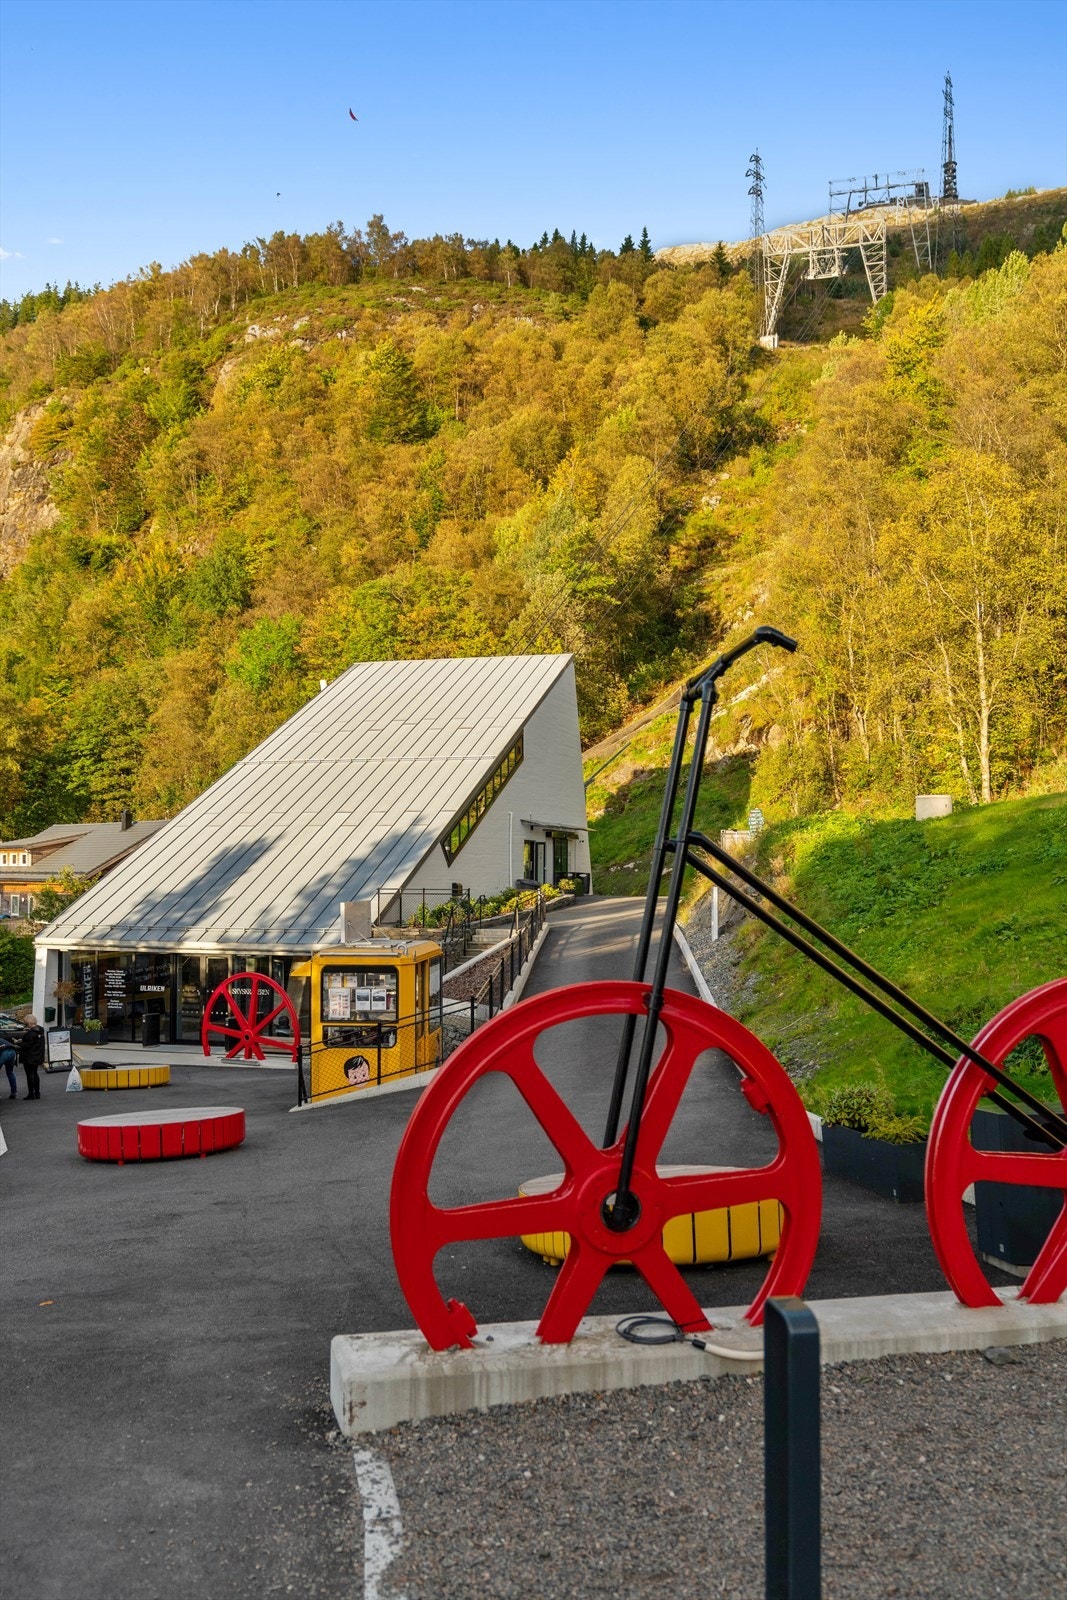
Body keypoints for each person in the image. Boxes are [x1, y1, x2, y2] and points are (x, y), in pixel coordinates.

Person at [17, 1015, 45, 1100]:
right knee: (35, 1073)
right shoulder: (40, 1031)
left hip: (29, 1056)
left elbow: (27, 1045)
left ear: (29, 1023)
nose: (26, 1026)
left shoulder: (30, 1034)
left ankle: (31, 1094)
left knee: (29, 1074)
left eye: (26, 1024)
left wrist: (19, 1042)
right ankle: (37, 1093)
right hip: (37, 1055)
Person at [0, 1025, 18, 1099]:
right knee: (10, 1072)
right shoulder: (2, 1039)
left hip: (4, 1052)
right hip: (12, 1051)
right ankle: (14, 1093)